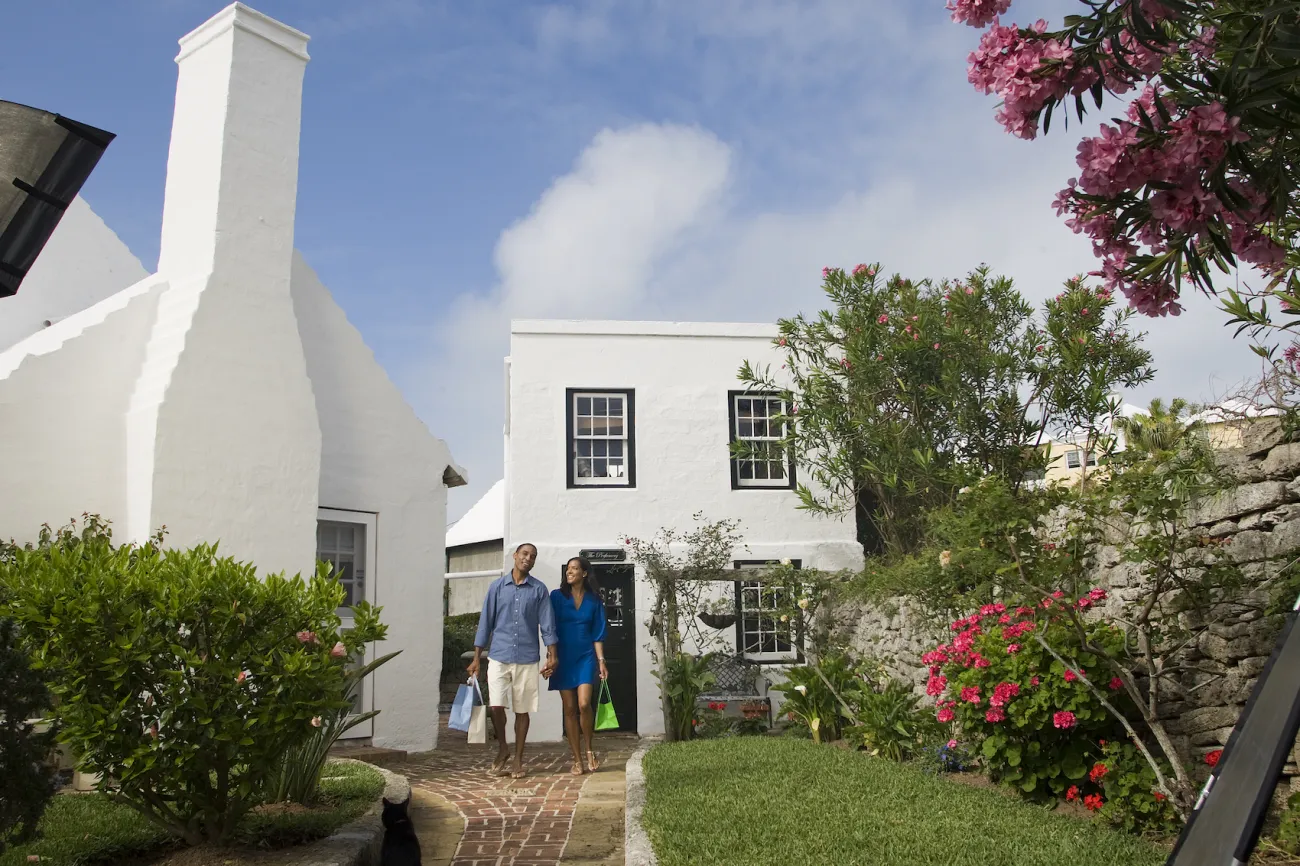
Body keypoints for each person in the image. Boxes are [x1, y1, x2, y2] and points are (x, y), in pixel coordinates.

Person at [468, 542, 558, 779]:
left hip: (527, 658)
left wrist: (552, 655)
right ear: (515, 555)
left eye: (533, 556)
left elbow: (547, 625)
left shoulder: (539, 590)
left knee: (522, 709)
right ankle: (503, 748)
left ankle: (518, 758)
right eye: (525, 554)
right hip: (499, 655)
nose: (528, 558)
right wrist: (476, 658)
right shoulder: (497, 587)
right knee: (496, 706)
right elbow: (485, 623)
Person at [549, 555, 608, 776]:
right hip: (563, 657)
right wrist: (551, 656)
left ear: (584, 573)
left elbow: (598, 633)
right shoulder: (556, 597)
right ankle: (576, 759)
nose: (569, 572)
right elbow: (549, 628)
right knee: (570, 708)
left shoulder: (594, 600)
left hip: (586, 656)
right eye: (568, 569)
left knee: (584, 704)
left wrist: (601, 661)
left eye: (574, 568)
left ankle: (589, 750)